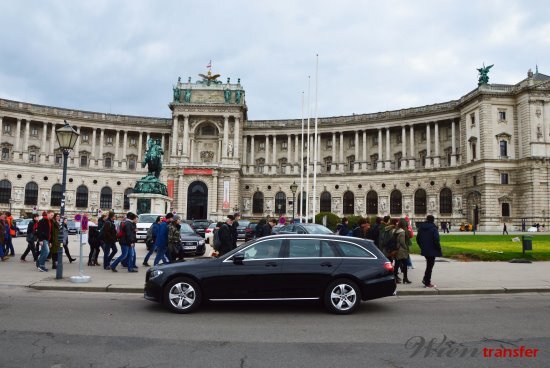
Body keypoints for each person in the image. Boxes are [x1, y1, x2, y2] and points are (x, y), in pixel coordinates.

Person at [416, 215, 442, 288]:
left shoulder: (421, 228)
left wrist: (422, 247)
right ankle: (427, 282)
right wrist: (439, 248)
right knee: (430, 266)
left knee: (429, 265)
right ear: (433, 220)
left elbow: (418, 239)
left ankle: (425, 279)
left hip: (425, 249)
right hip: (432, 250)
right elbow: (436, 240)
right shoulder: (433, 228)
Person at [394, 218, 411, 284]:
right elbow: (402, 242)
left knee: (397, 264)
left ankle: (396, 277)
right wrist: (406, 248)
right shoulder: (402, 232)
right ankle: (405, 278)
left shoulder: (396, 230)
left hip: (397, 249)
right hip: (402, 250)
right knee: (405, 265)